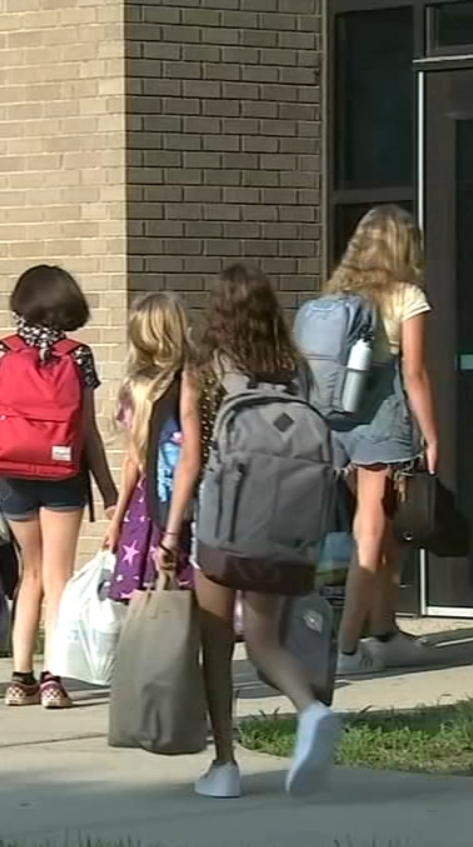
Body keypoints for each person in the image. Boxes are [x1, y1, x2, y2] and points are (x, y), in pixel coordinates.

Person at [190, 263, 343, 799]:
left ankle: (225, 765)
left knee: (215, 644)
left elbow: (193, 453)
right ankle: (311, 708)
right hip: (285, 528)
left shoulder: (207, 368)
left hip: (222, 525)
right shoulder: (295, 368)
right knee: (261, 639)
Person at [0, 265, 118, 709]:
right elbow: (87, 429)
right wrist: (109, 490)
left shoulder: (0, 352)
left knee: (28, 575)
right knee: (59, 577)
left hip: (12, 474)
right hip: (63, 474)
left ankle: (19, 678)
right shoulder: (78, 355)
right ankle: (54, 677)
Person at [323, 205, 442, 677]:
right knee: (370, 534)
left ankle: (385, 632)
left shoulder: (336, 296)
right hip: (382, 420)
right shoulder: (406, 297)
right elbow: (413, 372)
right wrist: (432, 435)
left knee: (383, 531)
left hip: (338, 419)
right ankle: (347, 648)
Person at [104, 291, 199, 605]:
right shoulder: (195, 381)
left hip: (146, 507)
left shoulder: (134, 389)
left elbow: (132, 460)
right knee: (194, 594)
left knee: (145, 597)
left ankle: (153, 651)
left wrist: (117, 520)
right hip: (192, 503)